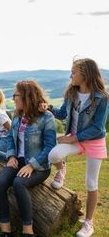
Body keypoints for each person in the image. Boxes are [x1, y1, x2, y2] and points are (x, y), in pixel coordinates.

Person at [47, 58, 109, 237]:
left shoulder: (101, 97)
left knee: (91, 183)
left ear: (85, 74)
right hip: (74, 140)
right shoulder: (71, 93)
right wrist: (48, 108)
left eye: (73, 72)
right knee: (53, 156)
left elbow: (98, 127)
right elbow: (61, 113)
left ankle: (89, 223)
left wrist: (73, 137)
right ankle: (61, 170)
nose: (70, 75)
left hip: (94, 141)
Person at [0, 81, 56, 237]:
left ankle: (28, 231)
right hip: (18, 161)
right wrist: (11, 155)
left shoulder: (46, 117)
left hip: (40, 167)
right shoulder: (17, 116)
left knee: (18, 183)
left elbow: (50, 147)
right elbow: (9, 138)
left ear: (27, 96)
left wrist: (32, 166)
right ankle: (6, 231)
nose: (13, 98)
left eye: (16, 95)